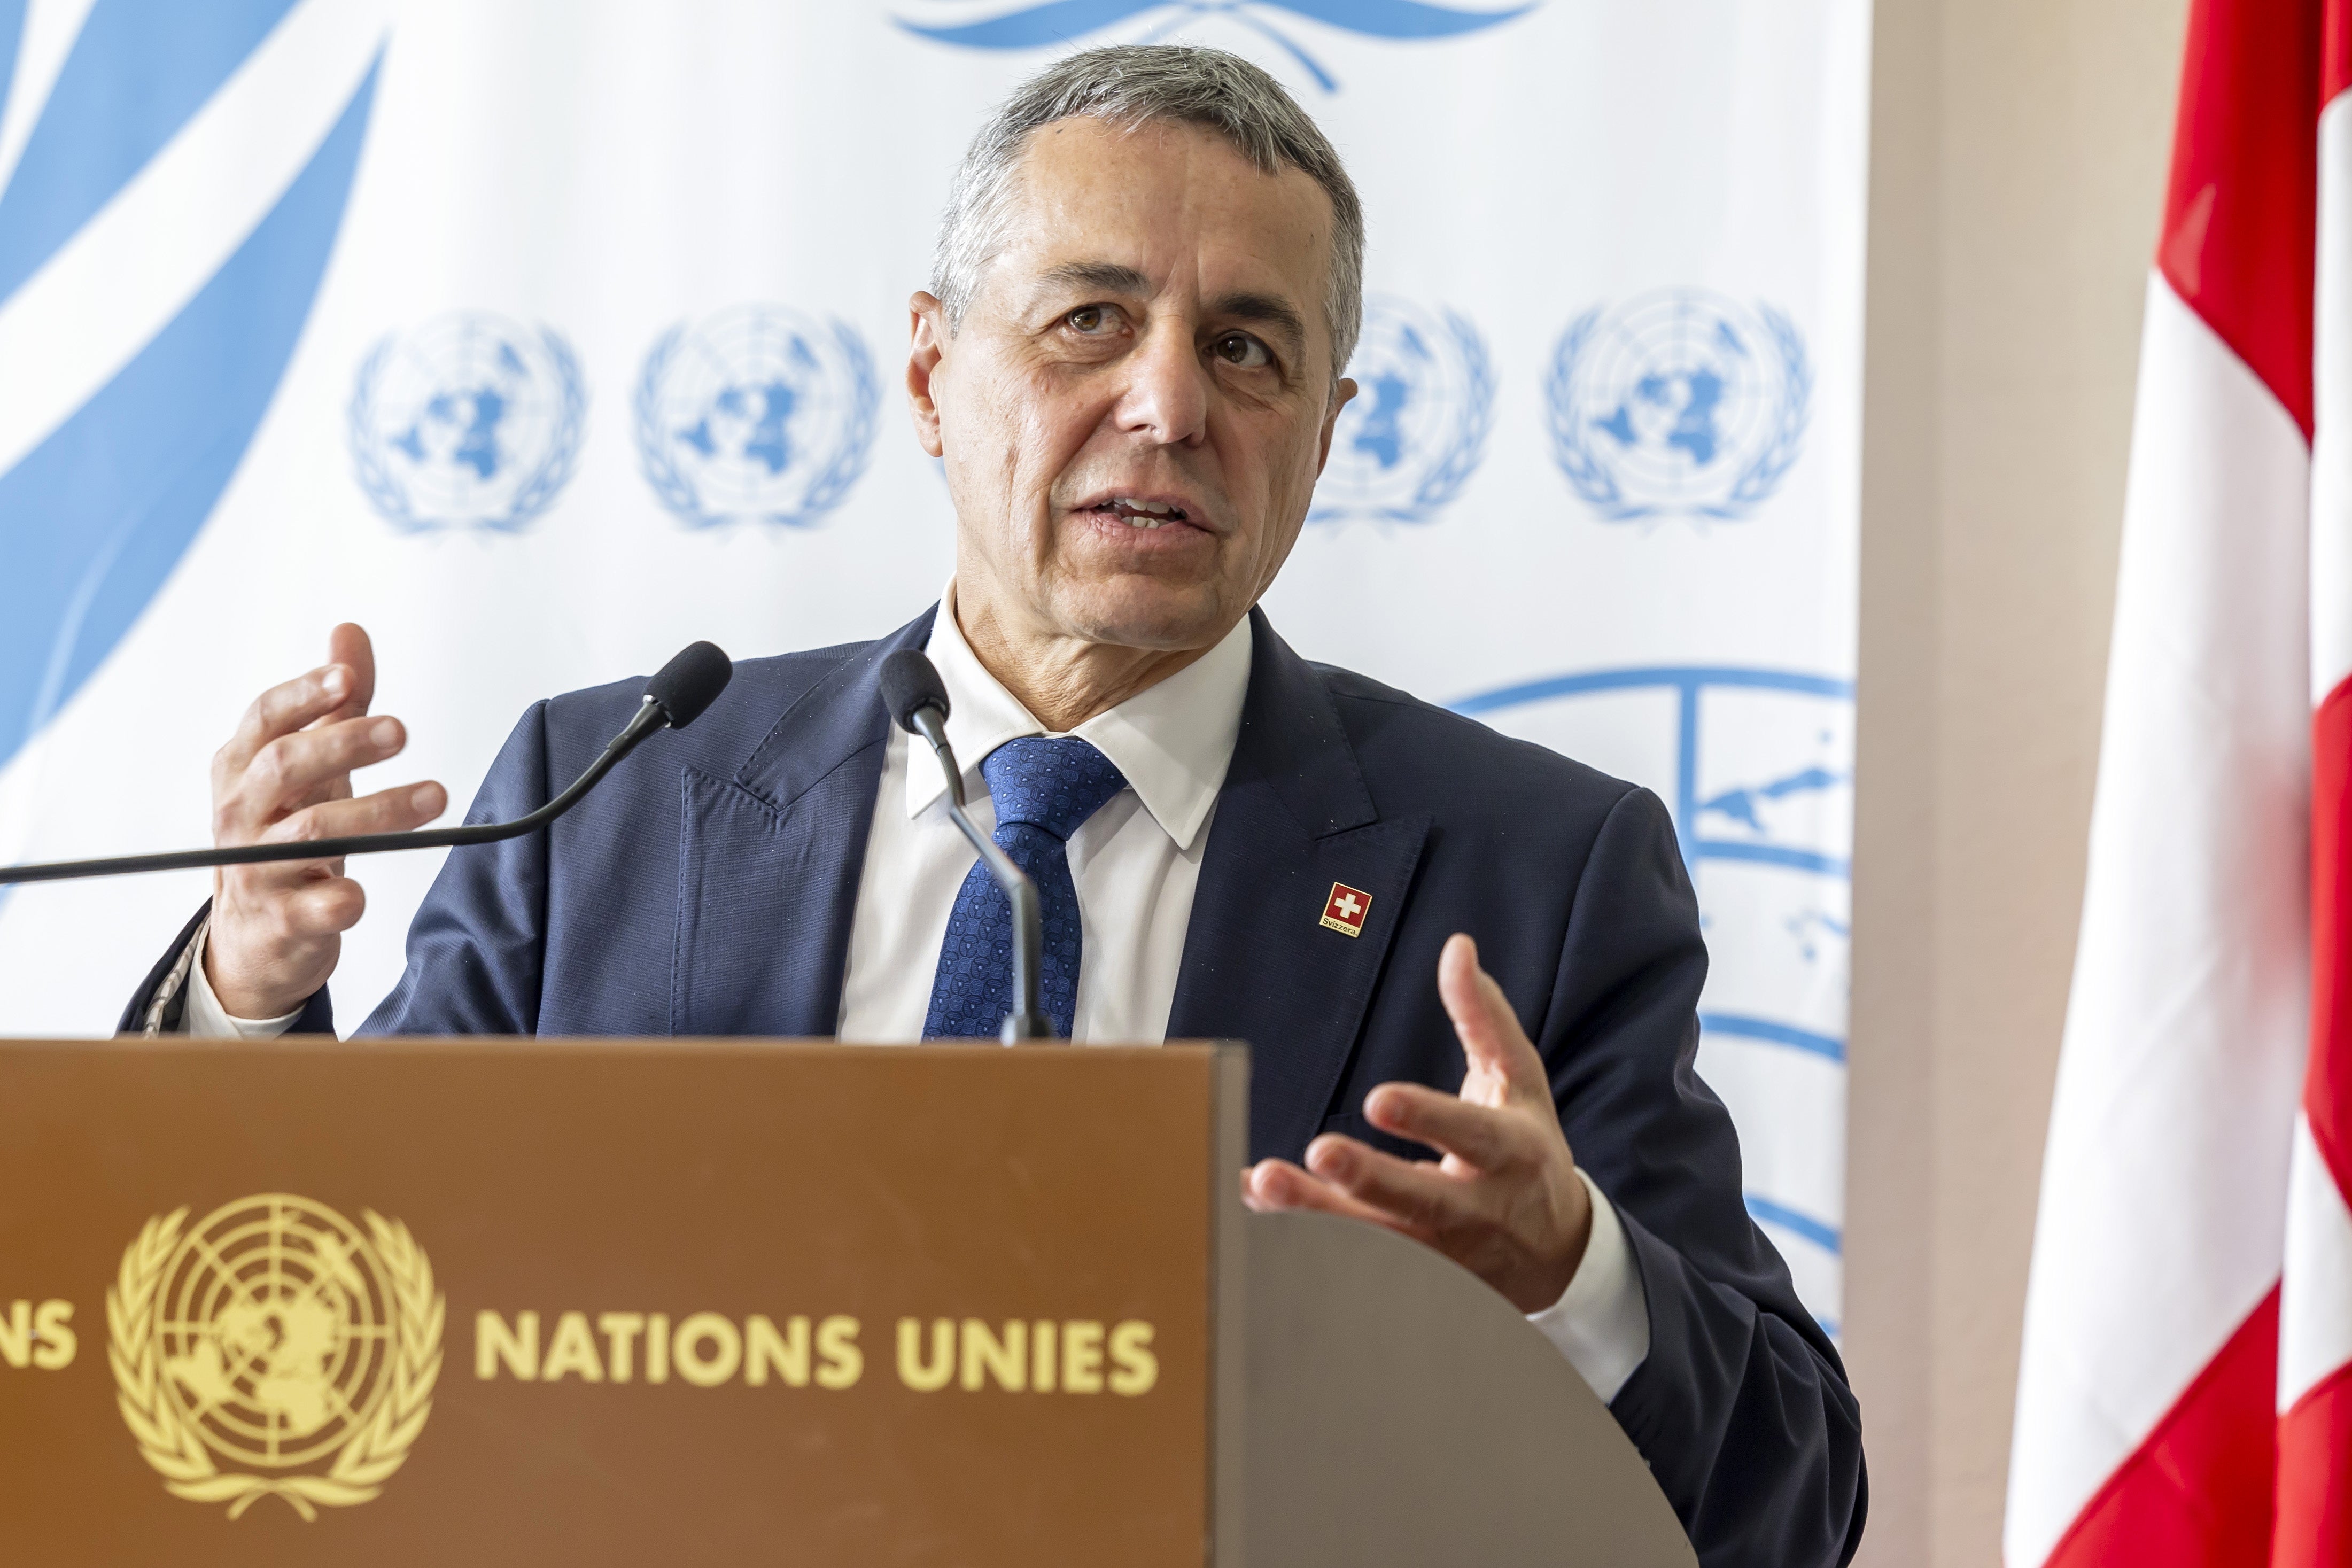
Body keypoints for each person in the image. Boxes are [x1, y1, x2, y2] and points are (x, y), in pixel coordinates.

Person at [122, 46, 1864, 1565]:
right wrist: (250, 1001)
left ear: (1324, 435)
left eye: (1248, 350)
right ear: (931, 377)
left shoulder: (1532, 870)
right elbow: (326, 1327)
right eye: (1088, 319)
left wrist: (1568, 1274)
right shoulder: (613, 798)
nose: (1168, 404)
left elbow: (1788, 1505)